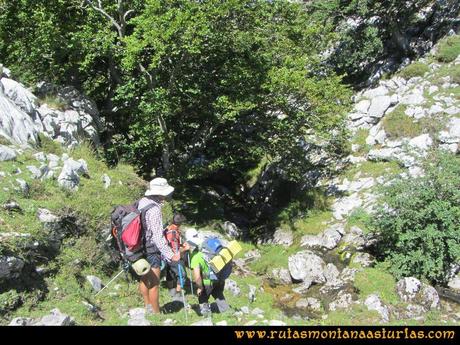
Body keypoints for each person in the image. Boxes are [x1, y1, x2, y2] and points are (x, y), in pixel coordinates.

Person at [136, 177, 180, 314]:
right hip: (151, 249)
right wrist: (171, 255)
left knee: (143, 277)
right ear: (160, 193)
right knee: (154, 283)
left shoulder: (142, 201)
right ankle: (156, 314)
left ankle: (147, 306)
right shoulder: (154, 209)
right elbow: (157, 237)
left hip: (139, 246)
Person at [185, 228, 230, 316]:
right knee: (217, 293)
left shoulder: (195, 257)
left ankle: (206, 314)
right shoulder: (207, 246)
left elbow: (197, 277)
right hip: (218, 277)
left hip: (207, 281)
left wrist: (199, 288)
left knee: (202, 296)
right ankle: (226, 311)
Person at [163, 213, 188, 299]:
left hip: (166, 255)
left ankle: (171, 291)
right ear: (180, 223)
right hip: (173, 257)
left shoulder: (168, 228)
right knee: (182, 275)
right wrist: (185, 248)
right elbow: (175, 250)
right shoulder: (173, 232)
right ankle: (177, 294)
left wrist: (181, 244)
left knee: (170, 273)